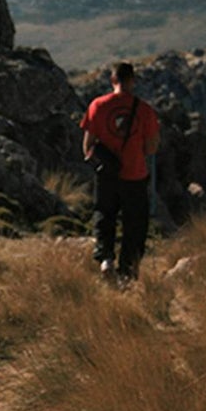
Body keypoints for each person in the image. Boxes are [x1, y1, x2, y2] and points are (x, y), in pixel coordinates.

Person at [80, 62, 160, 282]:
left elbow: (87, 146)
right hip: (134, 175)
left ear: (112, 80)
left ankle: (105, 259)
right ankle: (127, 274)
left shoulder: (97, 106)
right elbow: (152, 148)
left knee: (104, 216)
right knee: (135, 225)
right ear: (132, 81)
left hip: (106, 175)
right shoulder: (145, 111)